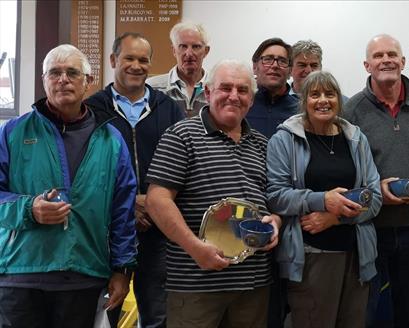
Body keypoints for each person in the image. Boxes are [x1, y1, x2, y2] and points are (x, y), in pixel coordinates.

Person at [0, 44, 137, 327]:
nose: (63, 79)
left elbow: (123, 213)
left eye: (72, 72)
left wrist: (122, 270)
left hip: (84, 275)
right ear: (44, 81)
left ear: (88, 82)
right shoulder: (12, 132)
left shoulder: (111, 141)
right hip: (21, 275)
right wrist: (29, 209)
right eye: (55, 73)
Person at [145, 59, 280, 328]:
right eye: (225, 88)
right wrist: (196, 249)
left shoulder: (263, 144)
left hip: (253, 285)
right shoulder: (181, 135)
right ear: (208, 93)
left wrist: (275, 221)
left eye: (242, 90)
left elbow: (275, 201)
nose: (234, 96)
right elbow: (156, 200)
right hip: (196, 283)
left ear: (251, 100)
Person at [267, 70, 382, 328]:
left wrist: (336, 218)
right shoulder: (284, 139)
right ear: (303, 100)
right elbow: (275, 196)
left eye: (330, 94)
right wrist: (321, 200)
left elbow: (373, 198)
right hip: (310, 257)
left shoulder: (356, 138)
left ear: (339, 100)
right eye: (314, 94)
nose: (323, 100)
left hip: (357, 255)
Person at [85, 32, 184, 328]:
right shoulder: (92, 109)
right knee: (104, 313)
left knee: (157, 315)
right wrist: (130, 205)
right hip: (106, 231)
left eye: (143, 60)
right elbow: (88, 171)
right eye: (129, 58)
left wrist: (154, 205)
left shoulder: (168, 109)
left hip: (158, 231)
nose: (136, 66)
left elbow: (183, 166)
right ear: (114, 60)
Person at [343, 34, 409, 328]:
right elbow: (345, 168)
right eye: (378, 55)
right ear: (366, 64)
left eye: (391, 54)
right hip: (370, 228)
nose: (385, 60)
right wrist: (376, 192)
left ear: (402, 62)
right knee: (365, 308)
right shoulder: (351, 110)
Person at [147, 21, 210, 117]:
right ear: (174, 50)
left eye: (196, 46)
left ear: (206, 51)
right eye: (183, 46)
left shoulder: (217, 88)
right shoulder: (152, 88)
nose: (189, 53)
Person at [247, 37, 299, 138]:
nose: (275, 65)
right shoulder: (241, 104)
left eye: (282, 61)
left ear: (290, 71)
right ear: (254, 67)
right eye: (268, 59)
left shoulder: (300, 109)